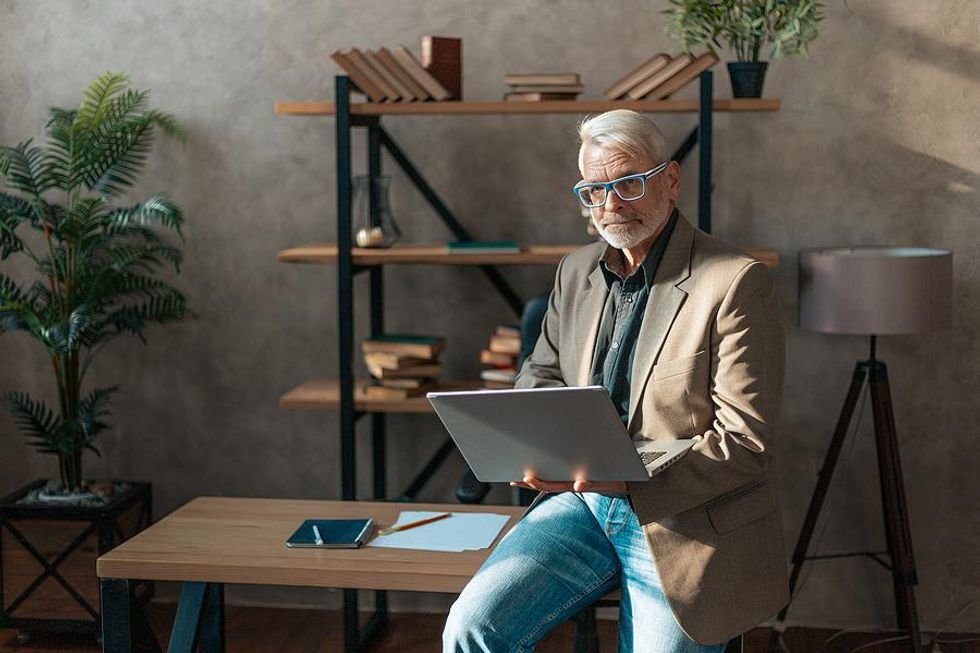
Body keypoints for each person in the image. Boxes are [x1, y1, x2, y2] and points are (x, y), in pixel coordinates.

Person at [442, 109, 789, 652]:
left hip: (684, 517)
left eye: (627, 183)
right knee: (471, 628)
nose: (610, 205)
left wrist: (627, 481)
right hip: (580, 501)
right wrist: (537, 447)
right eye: (593, 190)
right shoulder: (576, 271)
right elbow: (541, 373)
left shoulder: (735, 282)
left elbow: (746, 444)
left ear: (669, 181)